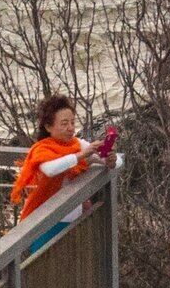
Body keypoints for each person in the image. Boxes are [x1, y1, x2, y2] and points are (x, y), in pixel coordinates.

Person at [11, 95, 110, 233]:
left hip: (74, 217)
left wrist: (109, 158)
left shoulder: (77, 144)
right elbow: (51, 169)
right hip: (45, 219)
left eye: (72, 123)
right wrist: (81, 155)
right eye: (64, 124)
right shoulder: (41, 150)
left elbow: (111, 161)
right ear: (48, 127)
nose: (70, 128)